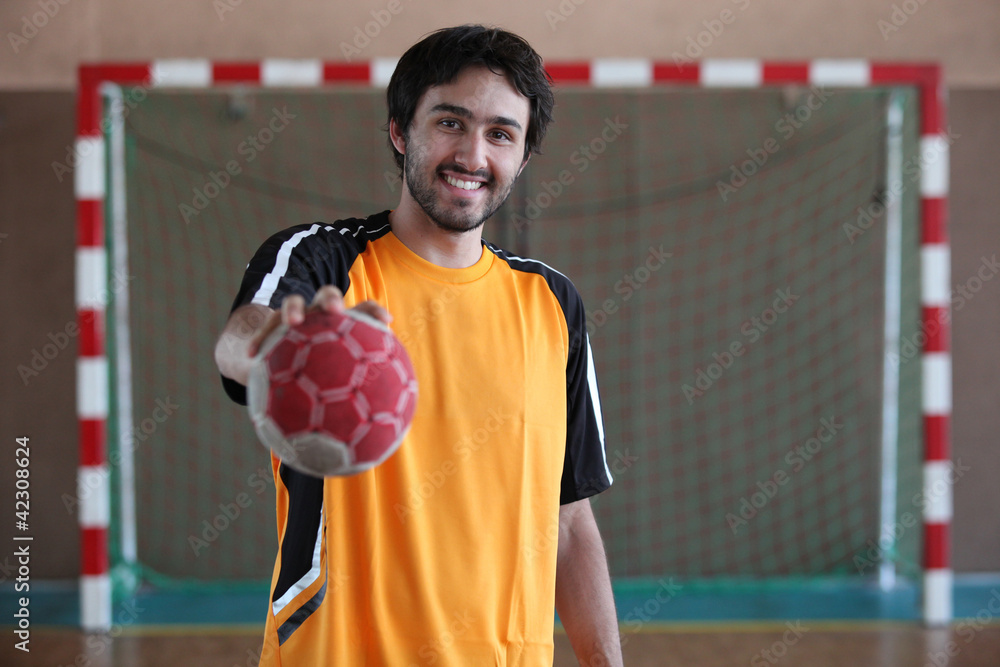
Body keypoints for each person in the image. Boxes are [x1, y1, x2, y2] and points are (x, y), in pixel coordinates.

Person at [214, 24, 622, 667]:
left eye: (500, 134)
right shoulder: (322, 259)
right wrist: (283, 346)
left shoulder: (552, 302)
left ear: (521, 156)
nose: (472, 154)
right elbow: (240, 345)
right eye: (450, 123)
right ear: (402, 130)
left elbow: (570, 523)